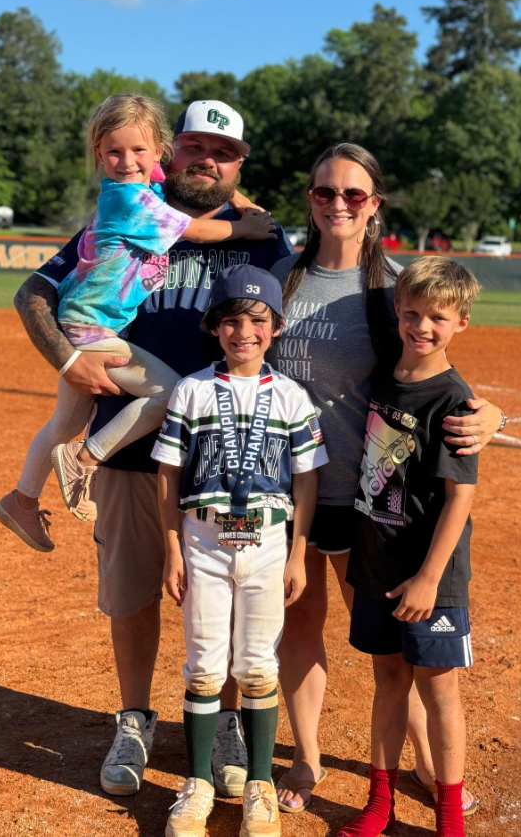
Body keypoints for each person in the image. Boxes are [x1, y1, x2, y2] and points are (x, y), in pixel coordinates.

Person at [9, 100, 293, 797]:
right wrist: (66, 361)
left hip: (230, 463)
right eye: (195, 146)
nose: (207, 159)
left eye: (222, 151)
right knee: (133, 594)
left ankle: (226, 722)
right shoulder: (134, 210)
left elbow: (345, 294)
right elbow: (33, 294)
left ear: (239, 161)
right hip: (136, 454)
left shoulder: (263, 238)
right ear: (173, 153)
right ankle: (134, 719)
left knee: (226, 598)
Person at [267, 143, 502, 814]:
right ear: (310, 200)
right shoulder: (283, 279)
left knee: (392, 639)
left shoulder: (393, 287)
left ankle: (428, 762)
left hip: (369, 500)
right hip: (289, 491)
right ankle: (307, 759)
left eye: (353, 194)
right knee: (302, 623)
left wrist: (494, 413)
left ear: (374, 205)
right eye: (324, 192)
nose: (337, 204)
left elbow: (435, 377)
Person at [0, 95, 274, 553]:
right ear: (99, 154)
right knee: (169, 393)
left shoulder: (149, 184)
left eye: (138, 151)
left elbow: (193, 182)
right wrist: (246, 227)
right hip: (93, 330)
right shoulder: (129, 201)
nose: (128, 161)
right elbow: (194, 229)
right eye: (115, 152)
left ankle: (21, 499)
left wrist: (240, 200)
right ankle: (87, 459)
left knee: (63, 423)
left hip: (90, 324)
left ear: (157, 151)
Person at [154, 265, 327, 837]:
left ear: (275, 328)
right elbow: (167, 476)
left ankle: (258, 786)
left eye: (256, 321)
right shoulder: (194, 389)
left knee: (256, 665)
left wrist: (300, 553)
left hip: (269, 541)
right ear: (215, 327)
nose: (243, 332)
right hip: (203, 540)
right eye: (231, 321)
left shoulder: (293, 398)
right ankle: (198, 784)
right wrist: (173, 549)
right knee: (204, 666)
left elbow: (306, 482)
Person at [336, 256, 480, 837]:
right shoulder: (383, 378)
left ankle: (449, 813)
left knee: (438, 689)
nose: (423, 326)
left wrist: (427, 579)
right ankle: (379, 802)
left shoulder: (454, 401)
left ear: (461, 323)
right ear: (397, 311)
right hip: (375, 562)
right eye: (413, 313)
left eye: (438, 318)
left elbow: (458, 500)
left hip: (431, 577)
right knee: (388, 683)